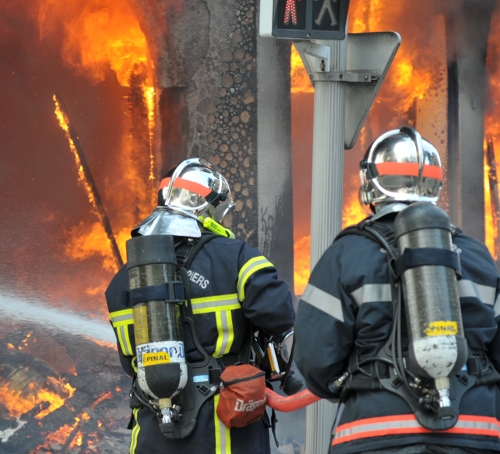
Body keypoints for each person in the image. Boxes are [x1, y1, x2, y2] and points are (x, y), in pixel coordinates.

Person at [294, 127, 500, 454]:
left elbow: (315, 357)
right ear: (434, 184)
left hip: (377, 428)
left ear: (371, 184)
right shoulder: (478, 255)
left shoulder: (347, 254)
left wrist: (354, 384)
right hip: (476, 428)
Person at [105, 158, 295, 454]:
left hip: (153, 429)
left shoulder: (125, 279)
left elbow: (128, 361)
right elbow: (281, 315)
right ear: (204, 207)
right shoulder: (236, 258)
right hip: (224, 425)